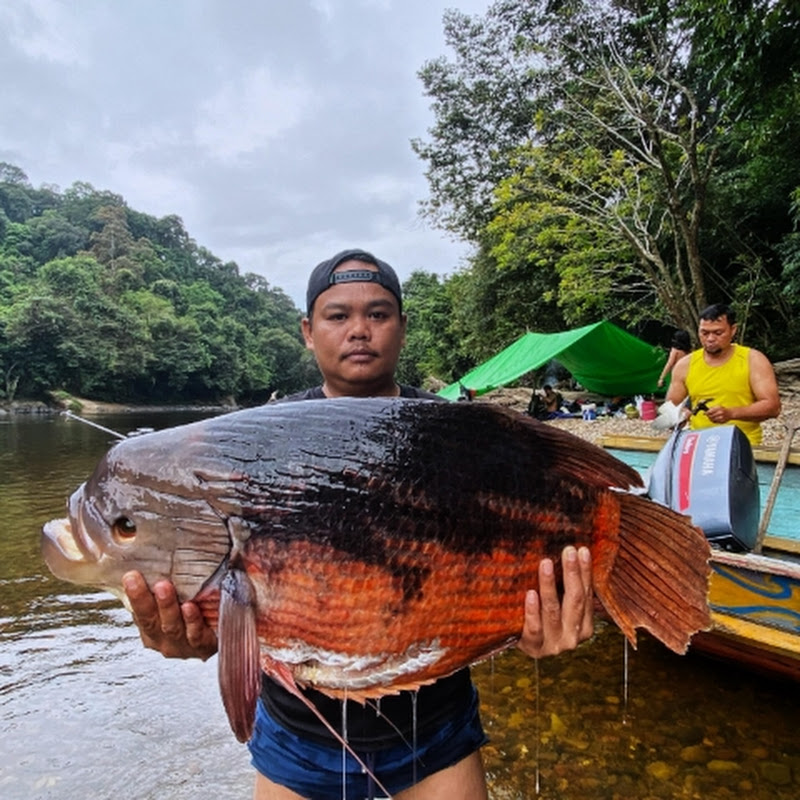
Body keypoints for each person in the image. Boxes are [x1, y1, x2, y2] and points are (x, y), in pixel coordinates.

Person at [121, 248, 595, 800]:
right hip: (297, 740)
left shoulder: (456, 434)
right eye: (338, 315)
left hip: (437, 734)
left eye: (378, 313)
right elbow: (234, 615)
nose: (360, 331)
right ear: (308, 330)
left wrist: (529, 627)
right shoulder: (253, 446)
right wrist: (197, 639)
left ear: (402, 326)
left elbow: (488, 565)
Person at [665, 303, 781, 446]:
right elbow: (668, 412)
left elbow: (773, 407)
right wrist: (679, 415)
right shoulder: (685, 365)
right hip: (700, 444)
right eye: (704, 333)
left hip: (743, 445)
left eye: (718, 333)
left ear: (733, 330)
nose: (710, 339)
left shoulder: (753, 360)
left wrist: (731, 413)